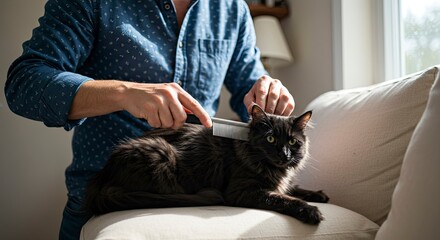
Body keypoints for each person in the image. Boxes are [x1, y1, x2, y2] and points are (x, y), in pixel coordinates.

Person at [5, 0, 295, 239]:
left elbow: (251, 87)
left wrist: (268, 90)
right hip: (107, 200)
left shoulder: (233, 9)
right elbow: (24, 83)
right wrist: (123, 92)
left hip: (205, 206)